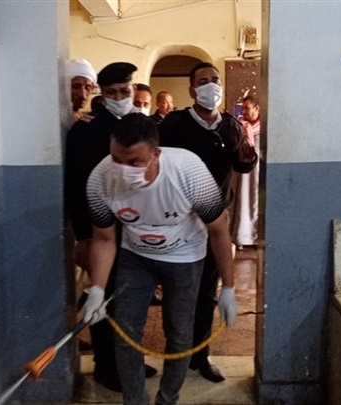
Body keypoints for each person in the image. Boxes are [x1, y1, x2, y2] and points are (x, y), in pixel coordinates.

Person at [81, 113, 238, 405]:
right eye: (117, 159)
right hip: (136, 256)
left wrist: (228, 287)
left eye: (135, 162)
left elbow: (219, 231)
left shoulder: (188, 172)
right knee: (126, 333)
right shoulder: (100, 180)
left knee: (179, 333)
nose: (123, 170)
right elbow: (103, 239)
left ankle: (167, 400)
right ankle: (134, 400)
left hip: (185, 255)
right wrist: (97, 290)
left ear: (156, 153)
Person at [158, 62, 258, 383]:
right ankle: (177, 354)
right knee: (178, 292)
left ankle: (200, 357)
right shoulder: (174, 124)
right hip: (180, 220)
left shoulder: (231, 126)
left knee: (206, 293)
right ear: (192, 90)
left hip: (215, 223)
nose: (211, 85)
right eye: (203, 81)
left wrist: (247, 159)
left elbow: (241, 165)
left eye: (215, 80)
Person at [64, 61, 156, 392]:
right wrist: (84, 236)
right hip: (101, 228)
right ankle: (107, 366)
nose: (120, 98)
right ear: (102, 94)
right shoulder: (87, 130)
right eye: (113, 92)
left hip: (138, 226)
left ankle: (129, 360)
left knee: (133, 297)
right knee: (105, 297)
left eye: (125, 91)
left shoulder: (142, 125)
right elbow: (76, 185)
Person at [230, 95, 261, 249]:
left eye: (247, 108)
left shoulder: (264, 129)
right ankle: (242, 237)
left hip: (258, 174)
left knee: (256, 202)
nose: (244, 112)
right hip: (241, 174)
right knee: (242, 202)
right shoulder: (239, 128)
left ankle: (256, 238)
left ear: (257, 109)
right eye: (243, 108)